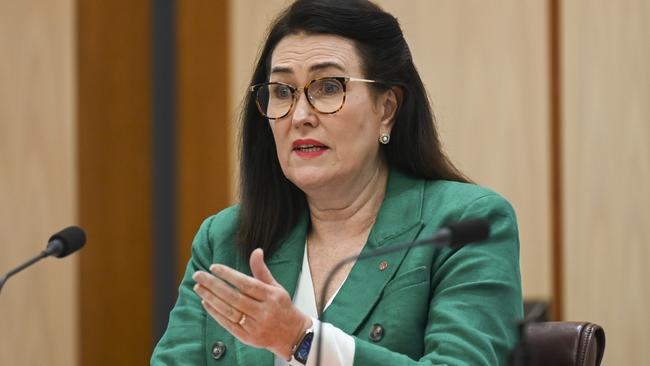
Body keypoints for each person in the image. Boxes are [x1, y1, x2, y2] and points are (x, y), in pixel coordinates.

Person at [151, 0, 522, 365]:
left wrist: (302, 340)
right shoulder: (226, 238)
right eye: (282, 91)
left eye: (328, 87)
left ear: (387, 109)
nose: (299, 116)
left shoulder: (464, 226)